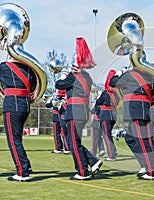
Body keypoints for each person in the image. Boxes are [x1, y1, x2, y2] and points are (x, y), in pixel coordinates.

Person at [55, 37, 102, 180]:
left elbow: (58, 85)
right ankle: (92, 161)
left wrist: (66, 74)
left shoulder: (73, 77)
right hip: (82, 112)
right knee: (74, 142)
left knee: (73, 142)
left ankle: (82, 172)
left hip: (74, 112)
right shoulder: (87, 77)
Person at [110, 66, 154, 180]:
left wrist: (120, 71)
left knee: (142, 141)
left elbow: (113, 82)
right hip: (141, 109)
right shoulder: (150, 77)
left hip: (136, 110)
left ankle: (152, 171)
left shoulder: (130, 75)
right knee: (130, 139)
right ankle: (145, 164)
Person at [0, 57, 37, 181]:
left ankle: (22, 172)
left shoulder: (4, 67)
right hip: (25, 106)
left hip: (12, 105)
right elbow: (33, 87)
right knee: (18, 140)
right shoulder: (29, 69)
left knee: (13, 141)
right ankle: (27, 166)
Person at [96, 70, 120, 161]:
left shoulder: (105, 93)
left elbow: (99, 102)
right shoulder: (117, 93)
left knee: (106, 135)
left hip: (106, 114)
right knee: (108, 134)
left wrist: (98, 96)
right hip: (114, 114)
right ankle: (113, 151)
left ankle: (111, 155)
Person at [57, 90, 70, 154]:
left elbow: (59, 112)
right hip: (69, 121)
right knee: (68, 135)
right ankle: (69, 148)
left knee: (64, 135)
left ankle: (67, 149)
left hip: (63, 120)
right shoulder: (70, 105)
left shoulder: (63, 105)